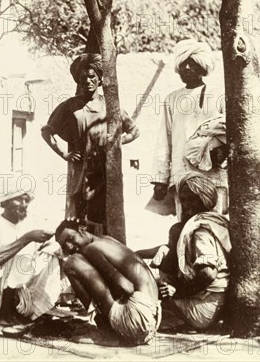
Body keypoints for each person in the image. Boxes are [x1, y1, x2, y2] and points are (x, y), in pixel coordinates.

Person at [41, 53, 140, 232]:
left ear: (100, 79)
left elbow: (134, 131)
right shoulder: (70, 105)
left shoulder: (109, 106)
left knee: (102, 214)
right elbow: (46, 132)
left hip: (105, 170)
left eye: (92, 77)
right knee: (78, 216)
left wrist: (115, 143)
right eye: (83, 77)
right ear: (78, 80)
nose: (87, 81)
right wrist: (64, 154)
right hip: (79, 170)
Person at [151, 39, 228, 221]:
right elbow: (165, 139)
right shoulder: (172, 99)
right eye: (183, 64)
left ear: (202, 67)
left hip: (212, 174)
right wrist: (160, 179)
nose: (186, 68)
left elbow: (230, 131)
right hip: (183, 175)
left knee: (213, 222)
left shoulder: (218, 95)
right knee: (185, 225)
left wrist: (222, 152)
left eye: (192, 63)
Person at [0, 189, 62, 325]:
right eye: (18, 199)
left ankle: (35, 308)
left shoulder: (25, 225)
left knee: (51, 251)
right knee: (17, 255)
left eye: (26, 200)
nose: (23, 204)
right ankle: (5, 312)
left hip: (12, 293)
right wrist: (27, 238)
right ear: (4, 203)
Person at [55, 220, 161, 344]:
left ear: (82, 229)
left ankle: (106, 333)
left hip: (137, 319)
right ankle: (116, 330)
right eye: (64, 245)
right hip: (154, 317)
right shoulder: (106, 239)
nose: (70, 246)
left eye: (71, 238)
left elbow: (126, 288)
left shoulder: (91, 249)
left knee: (72, 263)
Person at [156, 172, 231, 331]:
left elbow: (208, 273)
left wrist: (178, 293)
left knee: (147, 294)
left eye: (192, 200)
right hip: (216, 305)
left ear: (204, 200)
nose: (186, 205)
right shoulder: (215, 221)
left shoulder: (200, 231)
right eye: (183, 200)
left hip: (204, 309)